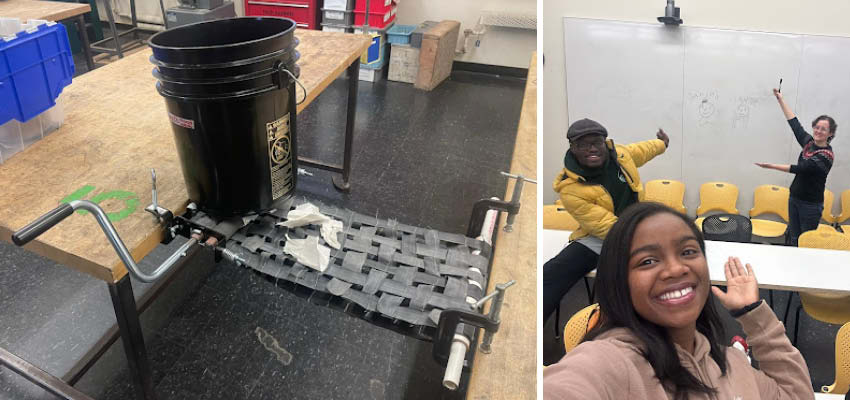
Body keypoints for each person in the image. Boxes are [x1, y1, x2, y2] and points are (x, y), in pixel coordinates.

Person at [543, 202, 814, 400]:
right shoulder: (613, 363)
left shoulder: (731, 362)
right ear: (619, 281)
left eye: (688, 251)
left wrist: (753, 314)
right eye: (647, 261)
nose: (676, 269)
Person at [543, 118, 669, 322]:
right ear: (572, 148)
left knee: (653, 273)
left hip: (639, 228)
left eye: (596, 142)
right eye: (583, 144)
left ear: (605, 143)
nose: (591, 148)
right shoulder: (570, 189)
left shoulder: (620, 156)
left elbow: (643, 150)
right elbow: (607, 226)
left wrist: (662, 144)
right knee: (551, 275)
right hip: (602, 236)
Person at [756, 88, 835, 246]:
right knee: (793, 239)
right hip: (795, 198)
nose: (818, 131)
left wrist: (771, 166)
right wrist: (780, 100)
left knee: (805, 243)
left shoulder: (826, 155)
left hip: (810, 206)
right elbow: (794, 124)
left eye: (823, 129)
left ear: (830, 133)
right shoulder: (809, 143)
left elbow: (801, 169)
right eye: (817, 127)